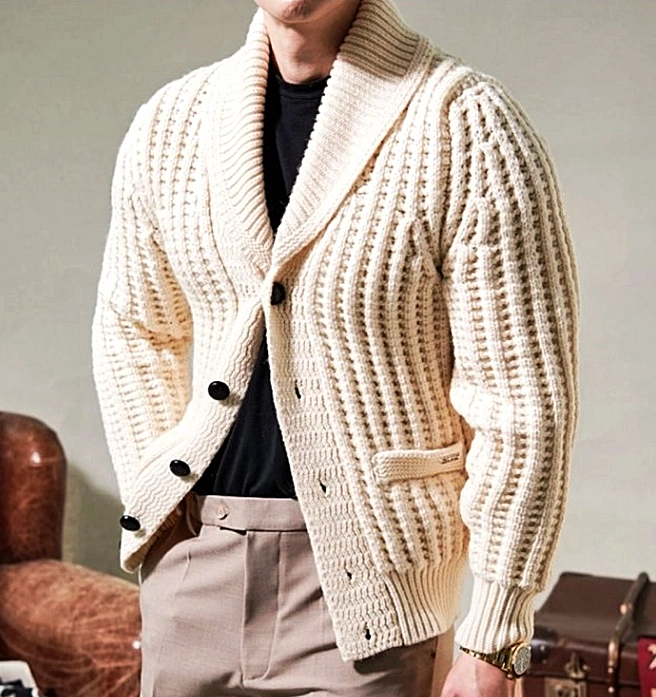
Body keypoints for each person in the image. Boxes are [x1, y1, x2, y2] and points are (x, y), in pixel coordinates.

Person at [92, 0, 579, 695]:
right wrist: (160, 500)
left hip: (374, 595)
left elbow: (522, 400)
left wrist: (495, 636)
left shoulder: (465, 125)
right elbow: (133, 328)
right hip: (195, 571)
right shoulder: (170, 126)